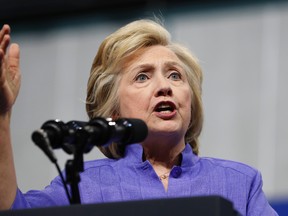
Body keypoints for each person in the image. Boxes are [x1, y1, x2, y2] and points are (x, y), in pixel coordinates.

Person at [0, 19, 278, 215]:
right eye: (142, 76)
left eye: (175, 75)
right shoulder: (83, 184)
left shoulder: (240, 183)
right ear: (113, 111)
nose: (164, 86)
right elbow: (10, 211)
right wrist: (2, 115)